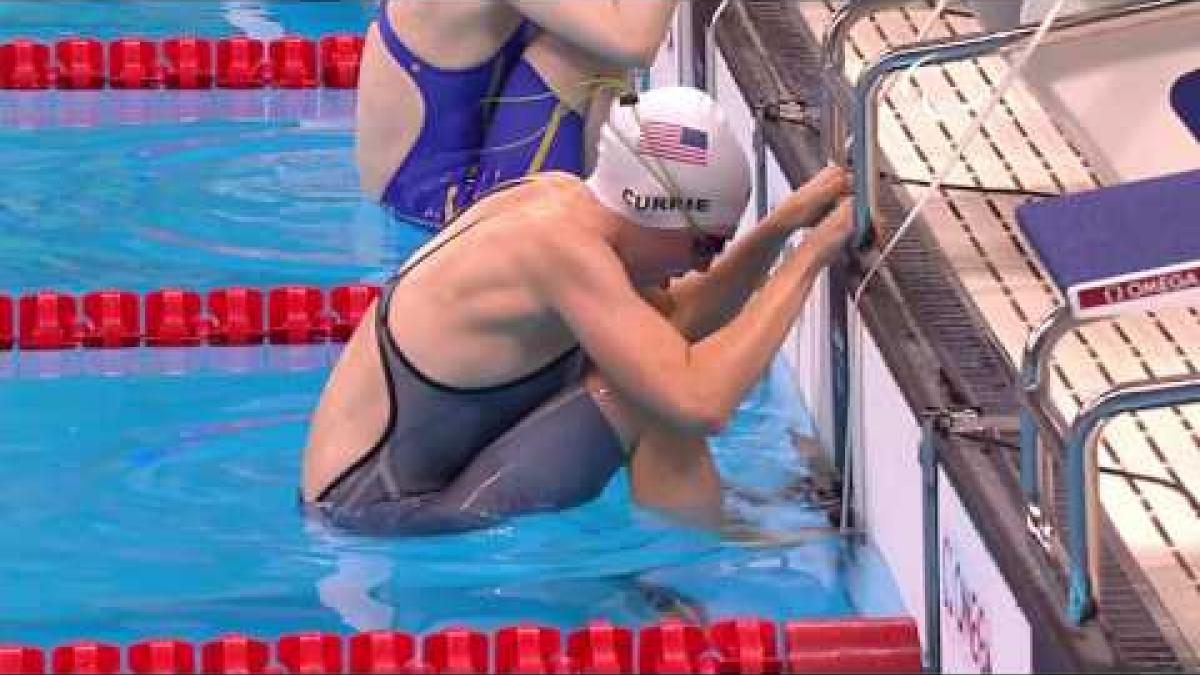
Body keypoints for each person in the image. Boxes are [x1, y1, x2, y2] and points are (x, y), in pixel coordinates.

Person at [303, 86, 859, 535]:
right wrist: (809, 257)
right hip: (379, 510)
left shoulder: (567, 203)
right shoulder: (558, 250)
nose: (697, 267)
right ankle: (713, 561)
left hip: (392, 484)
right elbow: (699, 402)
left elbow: (679, 318)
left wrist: (780, 228)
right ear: (656, 213)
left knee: (652, 356)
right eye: (703, 245)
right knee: (652, 397)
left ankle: (724, 518)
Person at [355, 0, 679, 229]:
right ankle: (604, 230)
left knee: (595, 41)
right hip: (446, 215)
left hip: (405, 214)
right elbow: (636, 41)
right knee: (582, 54)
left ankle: (607, 224)